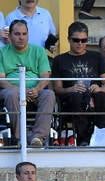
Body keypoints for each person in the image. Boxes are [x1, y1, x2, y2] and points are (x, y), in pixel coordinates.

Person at [51, 21, 105, 147]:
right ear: (69, 39)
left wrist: (99, 88)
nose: (80, 43)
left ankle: (100, 134)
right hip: (71, 100)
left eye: (84, 40)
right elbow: (57, 89)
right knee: (76, 96)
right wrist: (71, 89)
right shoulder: (59, 60)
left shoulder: (97, 57)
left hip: (95, 97)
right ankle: (83, 138)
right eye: (76, 40)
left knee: (101, 95)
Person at [0, 19, 55, 148]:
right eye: (17, 34)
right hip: (11, 90)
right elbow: (1, 80)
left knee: (49, 94)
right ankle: (21, 137)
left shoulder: (38, 51)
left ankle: (37, 137)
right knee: (12, 93)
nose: (21, 37)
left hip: (35, 90)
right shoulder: (1, 52)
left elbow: (45, 76)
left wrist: (37, 88)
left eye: (24, 34)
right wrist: (20, 90)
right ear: (9, 36)